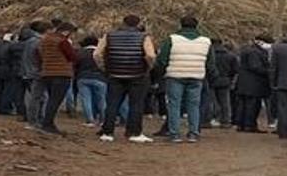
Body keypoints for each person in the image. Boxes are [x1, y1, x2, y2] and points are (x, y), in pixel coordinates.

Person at [95, 15, 156, 143]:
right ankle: (134, 132)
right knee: (136, 104)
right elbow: (150, 55)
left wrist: (105, 68)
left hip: (115, 74)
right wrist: (149, 68)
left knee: (112, 104)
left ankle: (107, 132)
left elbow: (97, 54)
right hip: (138, 74)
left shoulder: (109, 35)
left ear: (123, 23)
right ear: (138, 24)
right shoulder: (144, 37)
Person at [155, 16, 216, 143]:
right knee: (194, 105)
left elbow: (162, 59)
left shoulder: (172, 39)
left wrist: (161, 73)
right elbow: (210, 63)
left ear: (181, 25)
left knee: (174, 105)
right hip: (196, 76)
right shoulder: (206, 41)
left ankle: (174, 134)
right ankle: (193, 133)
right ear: (196, 26)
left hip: (175, 75)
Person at [37, 22, 78, 135]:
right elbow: (72, 56)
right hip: (61, 73)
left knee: (51, 99)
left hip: (47, 73)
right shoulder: (62, 41)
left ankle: (47, 123)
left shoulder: (44, 40)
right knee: (55, 100)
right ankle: (48, 124)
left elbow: (39, 54)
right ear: (66, 31)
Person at [236, 35, 272, 133]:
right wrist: (269, 71)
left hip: (244, 82)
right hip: (254, 83)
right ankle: (249, 125)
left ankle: (240, 124)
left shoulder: (246, 50)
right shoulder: (256, 52)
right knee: (252, 105)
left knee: (243, 104)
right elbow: (255, 67)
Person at [21, 21, 49, 128]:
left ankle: (34, 119)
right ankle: (35, 120)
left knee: (34, 97)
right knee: (38, 98)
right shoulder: (39, 42)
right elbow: (42, 56)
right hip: (37, 72)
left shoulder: (29, 41)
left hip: (29, 71)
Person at [76, 35, 107, 128]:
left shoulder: (80, 53)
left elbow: (75, 65)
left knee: (86, 100)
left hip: (83, 77)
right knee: (102, 100)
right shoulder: (101, 53)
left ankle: (90, 120)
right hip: (100, 78)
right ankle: (103, 119)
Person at [209, 38, 238, 128]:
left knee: (211, 101)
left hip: (211, 80)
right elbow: (235, 69)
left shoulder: (209, 55)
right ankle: (225, 121)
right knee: (225, 102)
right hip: (225, 80)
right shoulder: (231, 55)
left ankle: (211, 118)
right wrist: (230, 78)